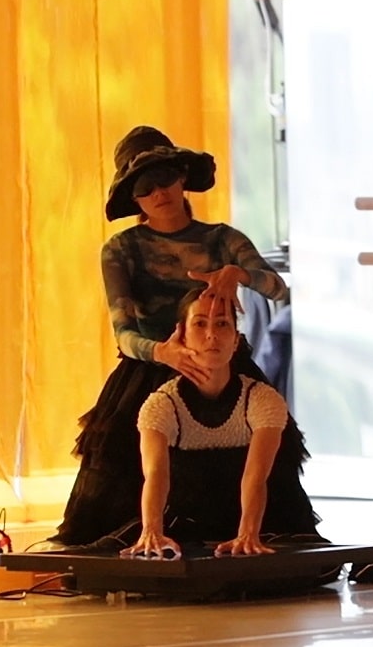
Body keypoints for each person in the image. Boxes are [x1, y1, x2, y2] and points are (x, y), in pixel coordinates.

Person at [50, 125, 307, 548]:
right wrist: (164, 353)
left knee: (265, 451)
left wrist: (238, 274)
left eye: (164, 177)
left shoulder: (223, 239)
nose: (158, 192)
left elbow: (279, 288)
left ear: (182, 177)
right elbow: (123, 330)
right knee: (126, 464)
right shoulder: (121, 249)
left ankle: (250, 536)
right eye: (144, 186)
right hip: (151, 368)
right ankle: (148, 539)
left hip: (224, 365)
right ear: (133, 197)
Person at [125, 286, 322, 558]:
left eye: (222, 324)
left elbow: (256, 475)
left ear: (236, 340)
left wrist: (248, 535)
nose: (211, 335)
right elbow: (156, 473)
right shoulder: (160, 405)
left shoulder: (262, 400)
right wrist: (152, 532)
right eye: (200, 324)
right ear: (181, 335)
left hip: (264, 518)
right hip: (187, 519)